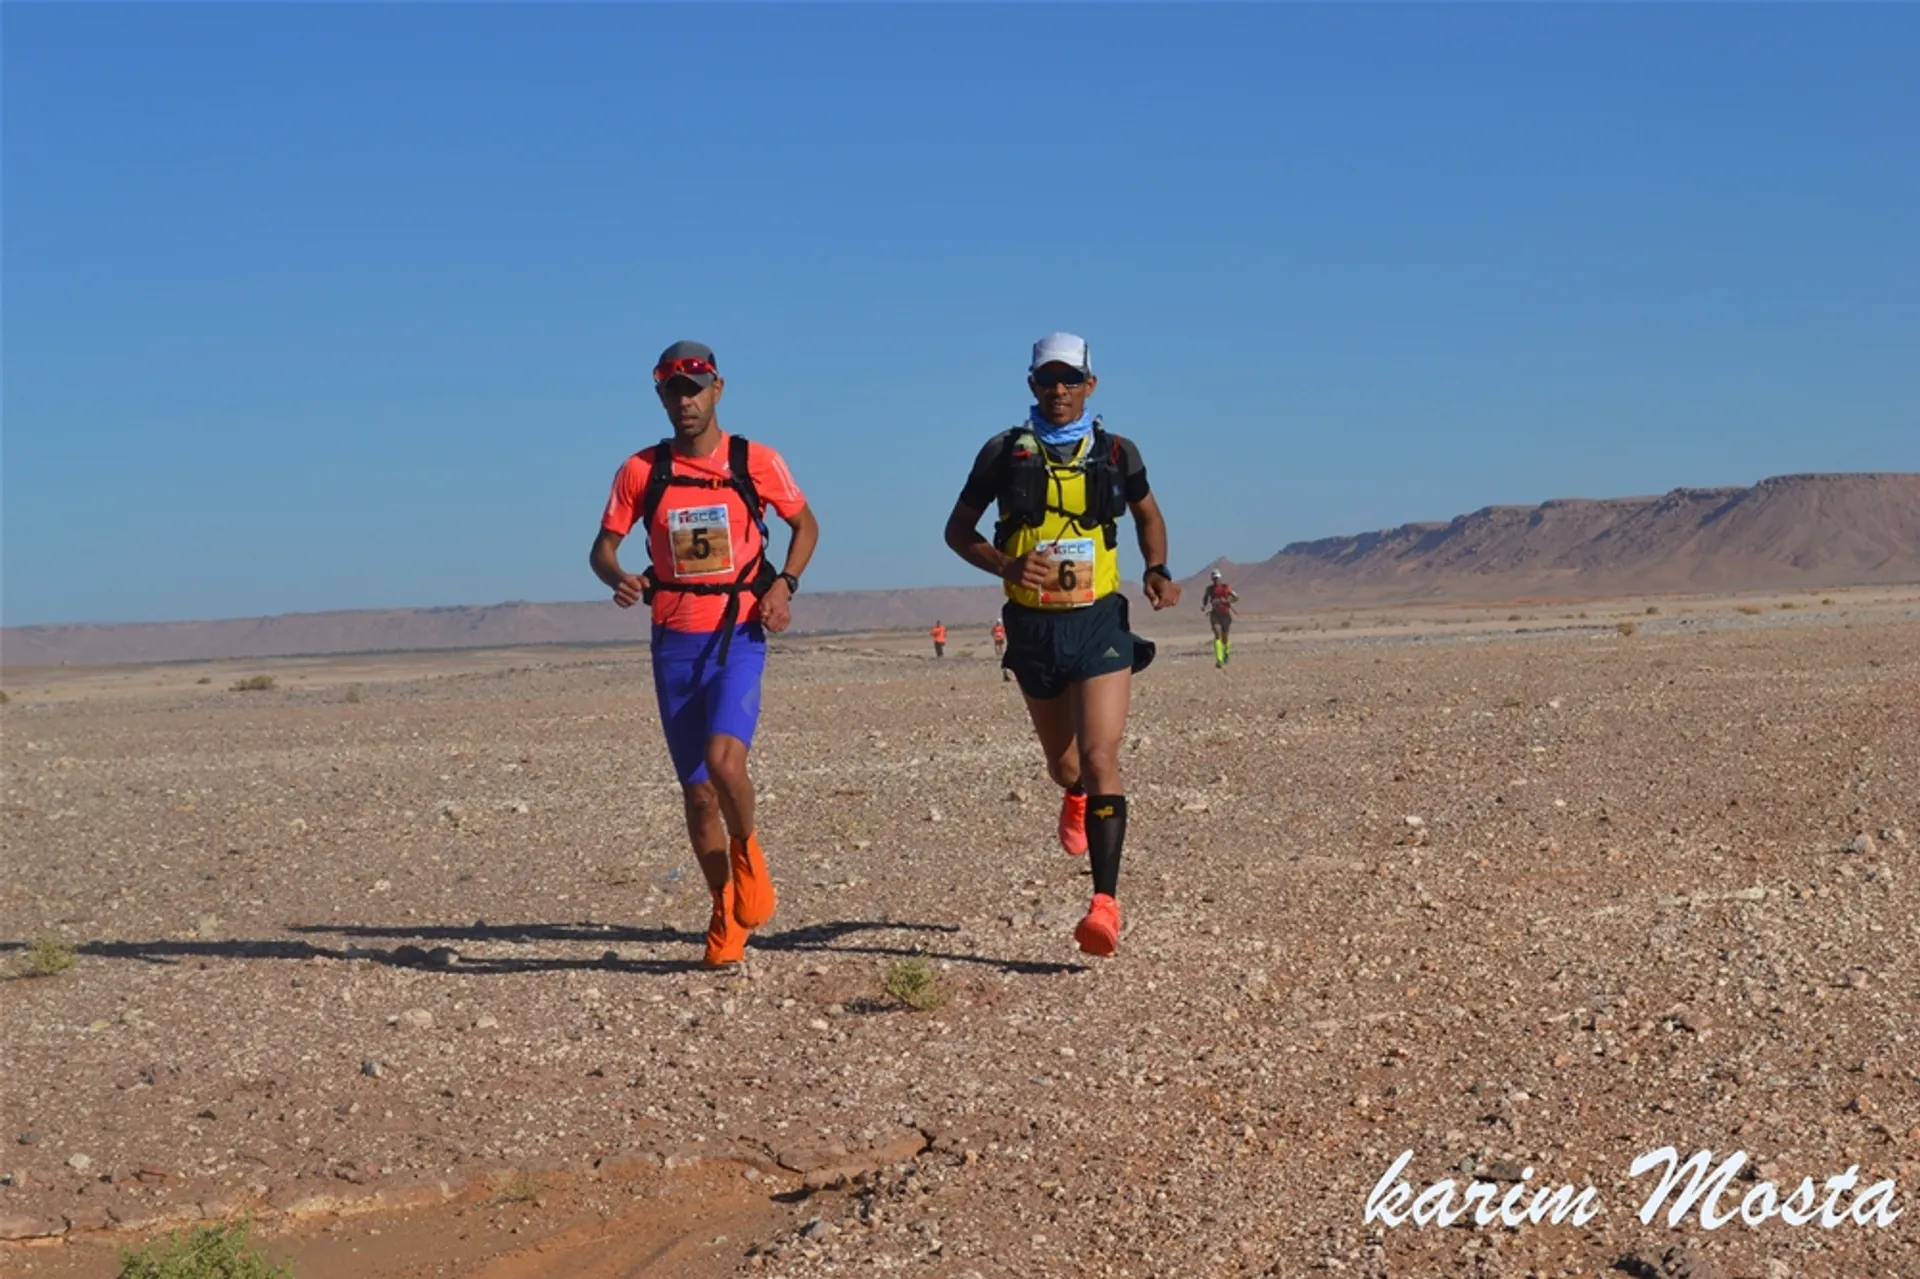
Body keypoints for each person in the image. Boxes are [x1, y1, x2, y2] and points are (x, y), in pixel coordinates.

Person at [942, 332, 1179, 957]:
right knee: (1068, 766)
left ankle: (1104, 904)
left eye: (1070, 379)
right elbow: (956, 531)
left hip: (1100, 621)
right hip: (1034, 627)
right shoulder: (1002, 452)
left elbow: (1149, 516)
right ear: (1031, 385)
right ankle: (1073, 796)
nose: (1059, 391)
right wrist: (1006, 566)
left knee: (1103, 756)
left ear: (1090, 386)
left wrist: (1156, 569)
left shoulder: (1117, 453)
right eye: (1048, 379)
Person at [590, 341, 820, 968]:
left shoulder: (756, 461)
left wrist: (784, 584)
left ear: (718, 388)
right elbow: (602, 551)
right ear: (660, 396)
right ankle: (724, 905)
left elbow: (806, 526)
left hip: (738, 631)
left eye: (695, 387)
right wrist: (620, 579)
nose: (685, 400)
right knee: (696, 795)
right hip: (674, 642)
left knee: (725, 761)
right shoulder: (642, 471)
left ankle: (749, 859)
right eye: (673, 390)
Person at [1202, 569, 1239, 668]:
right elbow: (1205, 597)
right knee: (1217, 635)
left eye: (1217, 578)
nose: (1215, 580)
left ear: (1220, 578)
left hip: (1225, 614)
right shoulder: (1209, 589)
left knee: (1225, 638)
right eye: (1214, 578)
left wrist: (1227, 600)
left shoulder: (1226, 587)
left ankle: (1226, 653)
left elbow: (1236, 597)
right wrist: (1204, 606)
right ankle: (1219, 660)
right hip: (1215, 614)